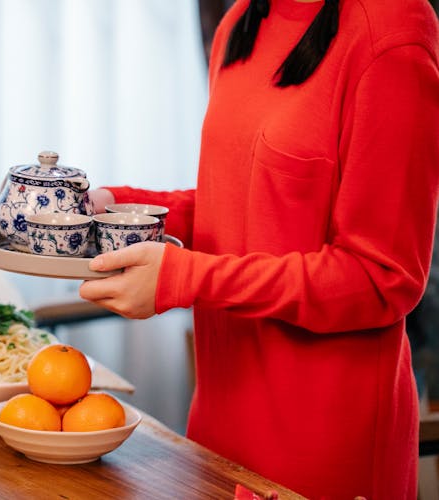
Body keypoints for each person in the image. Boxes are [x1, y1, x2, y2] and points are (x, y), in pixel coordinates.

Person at [79, 0, 439, 498]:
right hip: (218, 422)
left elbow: (382, 276)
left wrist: (186, 278)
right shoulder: (239, 22)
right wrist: (120, 207)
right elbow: (250, 203)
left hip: (325, 444)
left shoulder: (393, 30)